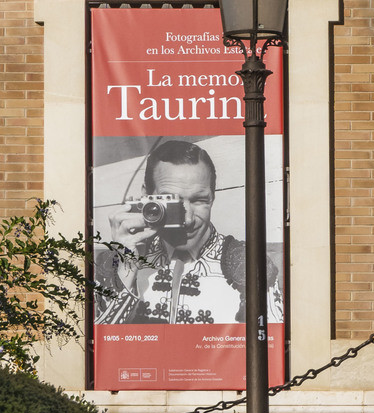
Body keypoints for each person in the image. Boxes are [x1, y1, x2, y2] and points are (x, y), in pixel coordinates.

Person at [93, 138, 280, 327]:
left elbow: (269, 344)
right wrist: (125, 268)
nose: (188, 219)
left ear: (213, 198)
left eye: (199, 200)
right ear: (146, 196)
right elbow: (100, 347)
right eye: (173, 202)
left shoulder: (248, 263)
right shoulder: (113, 263)